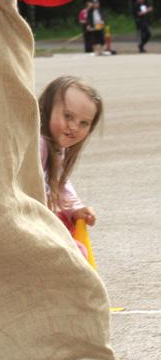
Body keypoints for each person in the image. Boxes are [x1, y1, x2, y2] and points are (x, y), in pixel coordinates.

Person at [38, 76, 103, 259]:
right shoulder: (39, 144)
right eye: (68, 116)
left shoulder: (57, 149)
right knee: (76, 253)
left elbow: (60, 183)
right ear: (47, 108)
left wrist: (74, 210)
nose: (74, 127)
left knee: (67, 224)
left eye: (84, 123)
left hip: (39, 216)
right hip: (26, 218)